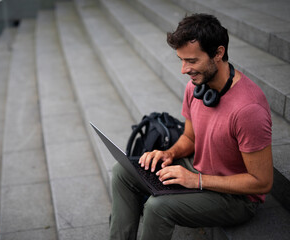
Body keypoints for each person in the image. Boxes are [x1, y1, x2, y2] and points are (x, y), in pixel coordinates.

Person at [109, 13, 273, 240]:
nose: (184, 70)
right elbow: (190, 138)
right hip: (198, 169)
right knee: (122, 171)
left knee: (158, 208)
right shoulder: (196, 88)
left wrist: (196, 180)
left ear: (218, 53)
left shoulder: (249, 110)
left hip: (236, 199)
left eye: (192, 61)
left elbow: (262, 182)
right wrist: (168, 153)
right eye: (181, 60)